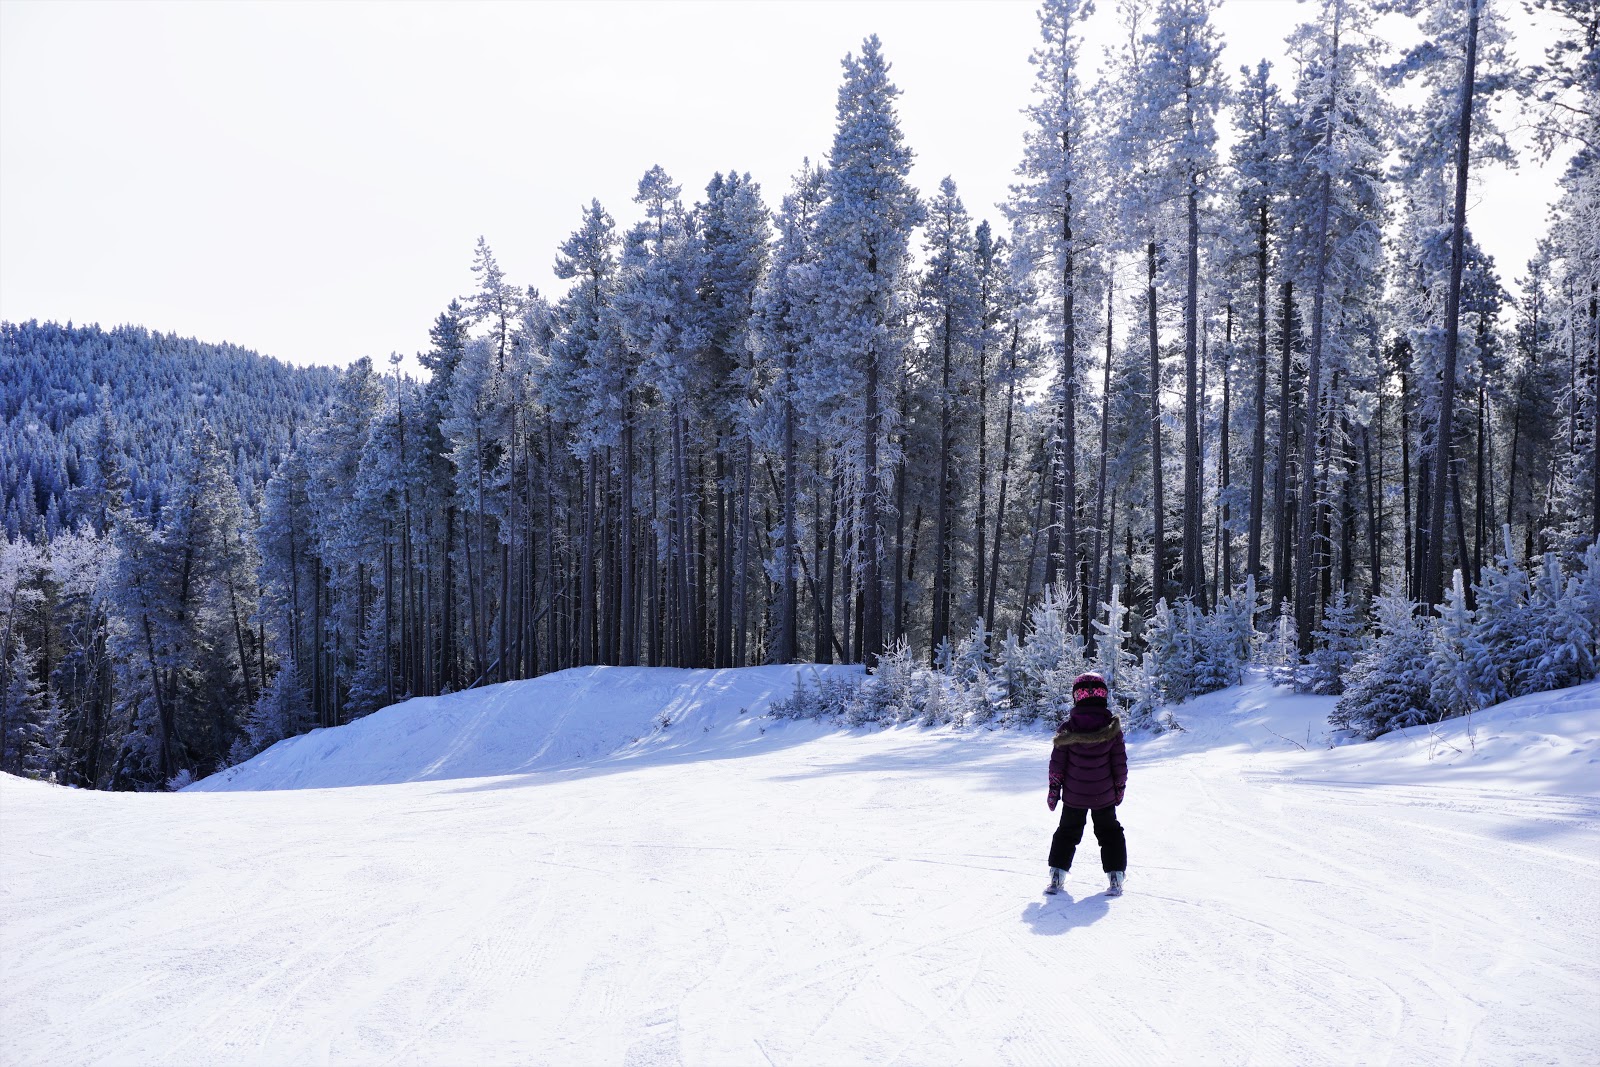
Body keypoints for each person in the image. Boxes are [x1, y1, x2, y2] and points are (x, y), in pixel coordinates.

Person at [1045, 671, 1128, 897]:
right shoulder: (1113, 730)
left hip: (1074, 796)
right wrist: (1119, 789)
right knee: (1110, 832)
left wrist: (1054, 791)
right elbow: (1119, 765)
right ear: (1103, 696)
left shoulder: (1067, 729)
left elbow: (1057, 767)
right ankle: (1115, 875)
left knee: (1067, 832)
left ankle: (1057, 874)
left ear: (1076, 697)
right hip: (1104, 795)